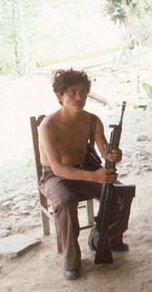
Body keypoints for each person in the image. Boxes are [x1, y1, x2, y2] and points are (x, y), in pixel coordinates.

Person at [38, 69, 132, 280]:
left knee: (122, 192)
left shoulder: (92, 120)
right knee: (64, 201)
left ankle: (102, 239)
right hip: (55, 177)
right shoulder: (48, 126)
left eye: (82, 92)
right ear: (59, 96)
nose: (79, 97)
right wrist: (93, 177)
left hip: (84, 169)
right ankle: (71, 261)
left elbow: (105, 151)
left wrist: (114, 154)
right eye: (72, 92)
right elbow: (57, 168)